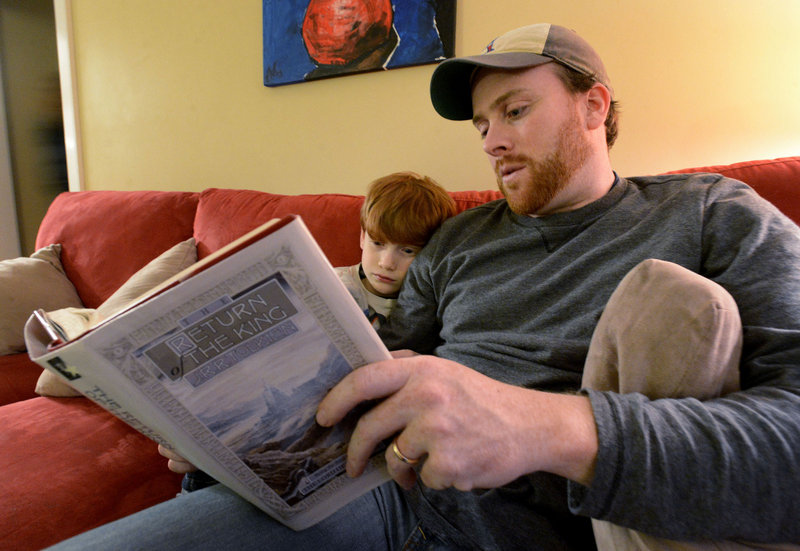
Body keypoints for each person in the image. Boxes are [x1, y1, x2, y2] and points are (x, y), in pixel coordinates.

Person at [48, 23, 800, 551]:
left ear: (594, 105)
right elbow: (379, 359)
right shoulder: (461, 240)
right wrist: (228, 421)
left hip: (528, 526)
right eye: (480, 124)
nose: (493, 142)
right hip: (374, 493)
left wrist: (547, 426)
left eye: (514, 110)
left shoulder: (711, 212)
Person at [175, 170, 457, 493]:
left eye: (407, 251)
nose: (387, 262)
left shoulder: (432, 310)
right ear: (362, 236)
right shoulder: (326, 283)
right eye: (378, 243)